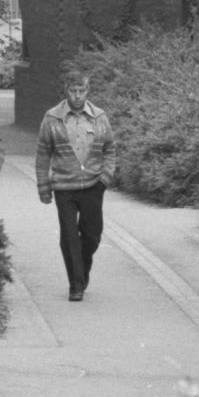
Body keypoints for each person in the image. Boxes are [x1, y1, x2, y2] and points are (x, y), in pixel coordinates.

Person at [37, 77, 116, 301]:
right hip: (64, 186)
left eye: (81, 90)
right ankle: (76, 285)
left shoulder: (99, 117)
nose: (78, 95)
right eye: (73, 90)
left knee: (92, 235)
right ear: (66, 91)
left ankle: (81, 269)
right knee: (70, 236)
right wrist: (44, 186)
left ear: (88, 90)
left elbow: (110, 148)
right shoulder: (52, 118)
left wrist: (105, 178)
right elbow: (43, 153)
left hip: (93, 185)